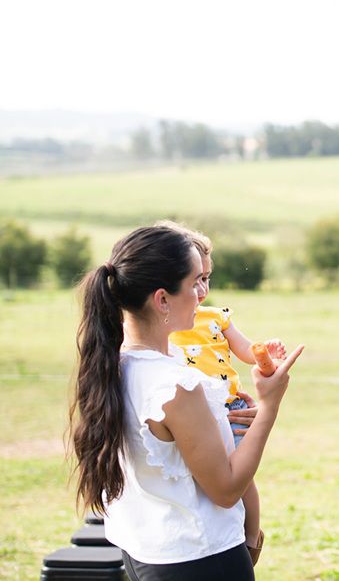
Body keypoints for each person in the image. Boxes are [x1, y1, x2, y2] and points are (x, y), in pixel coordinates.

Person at [68, 225, 303, 581]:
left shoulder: (114, 364)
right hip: (199, 558)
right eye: (195, 282)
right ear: (162, 299)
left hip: (144, 552)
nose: (201, 294)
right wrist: (270, 406)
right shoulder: (175, 384)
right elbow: (225, 490)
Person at [162, 222, 285, 564]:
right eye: (194, 280)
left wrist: (266, 354)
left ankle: (251, 536)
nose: (202, 289)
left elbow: (247, 351)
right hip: (190, 407)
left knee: (239, 475)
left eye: (207, 278)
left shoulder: (216, 317)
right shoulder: (165, 328)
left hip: (228, 404)